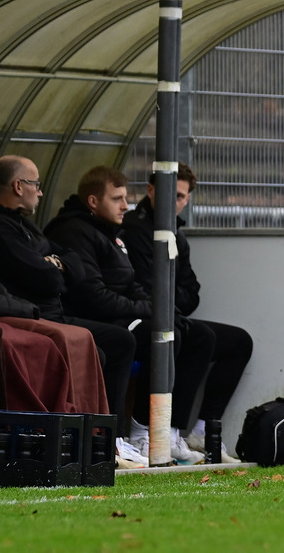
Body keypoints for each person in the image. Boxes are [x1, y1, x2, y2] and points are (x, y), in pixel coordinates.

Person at [44, 165, 212, 465]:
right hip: (93, 319)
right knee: (151, 336)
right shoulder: (75, 232)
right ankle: (132, 433)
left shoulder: (113, 234)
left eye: (126, 198)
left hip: (117, 314)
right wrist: (154, 310)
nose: (125, 206)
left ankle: (169, 430)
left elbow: (138, 285)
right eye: (117, 199)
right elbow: (94, 297)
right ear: (94, 201)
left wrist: (157, 308)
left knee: (191, 333)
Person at [0, 155, 144, 466]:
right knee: (101, 349)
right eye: (36, 184)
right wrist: (54, 266)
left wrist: (56, 264)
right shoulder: (5, 228)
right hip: (31, 315)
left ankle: (111, 437)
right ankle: (87, 440)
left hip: (54, 311)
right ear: (18, 185)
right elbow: (47, 276)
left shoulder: (27, 225)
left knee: (121, 341)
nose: (40, 192)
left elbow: (69, 266)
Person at [119, 163, 253, 463]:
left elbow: (191, 292)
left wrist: (172, 299)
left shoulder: (177, 233)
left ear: (187, 199)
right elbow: (145, 288)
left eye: (181, 196)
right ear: (151, 191)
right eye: (170, 194)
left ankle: (201, 430)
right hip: (144, 318)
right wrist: (172, 299)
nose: (175, 202)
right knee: (184, 336)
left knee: (239, 341)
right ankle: (159, 432)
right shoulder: (134, 229)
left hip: (173, 315)